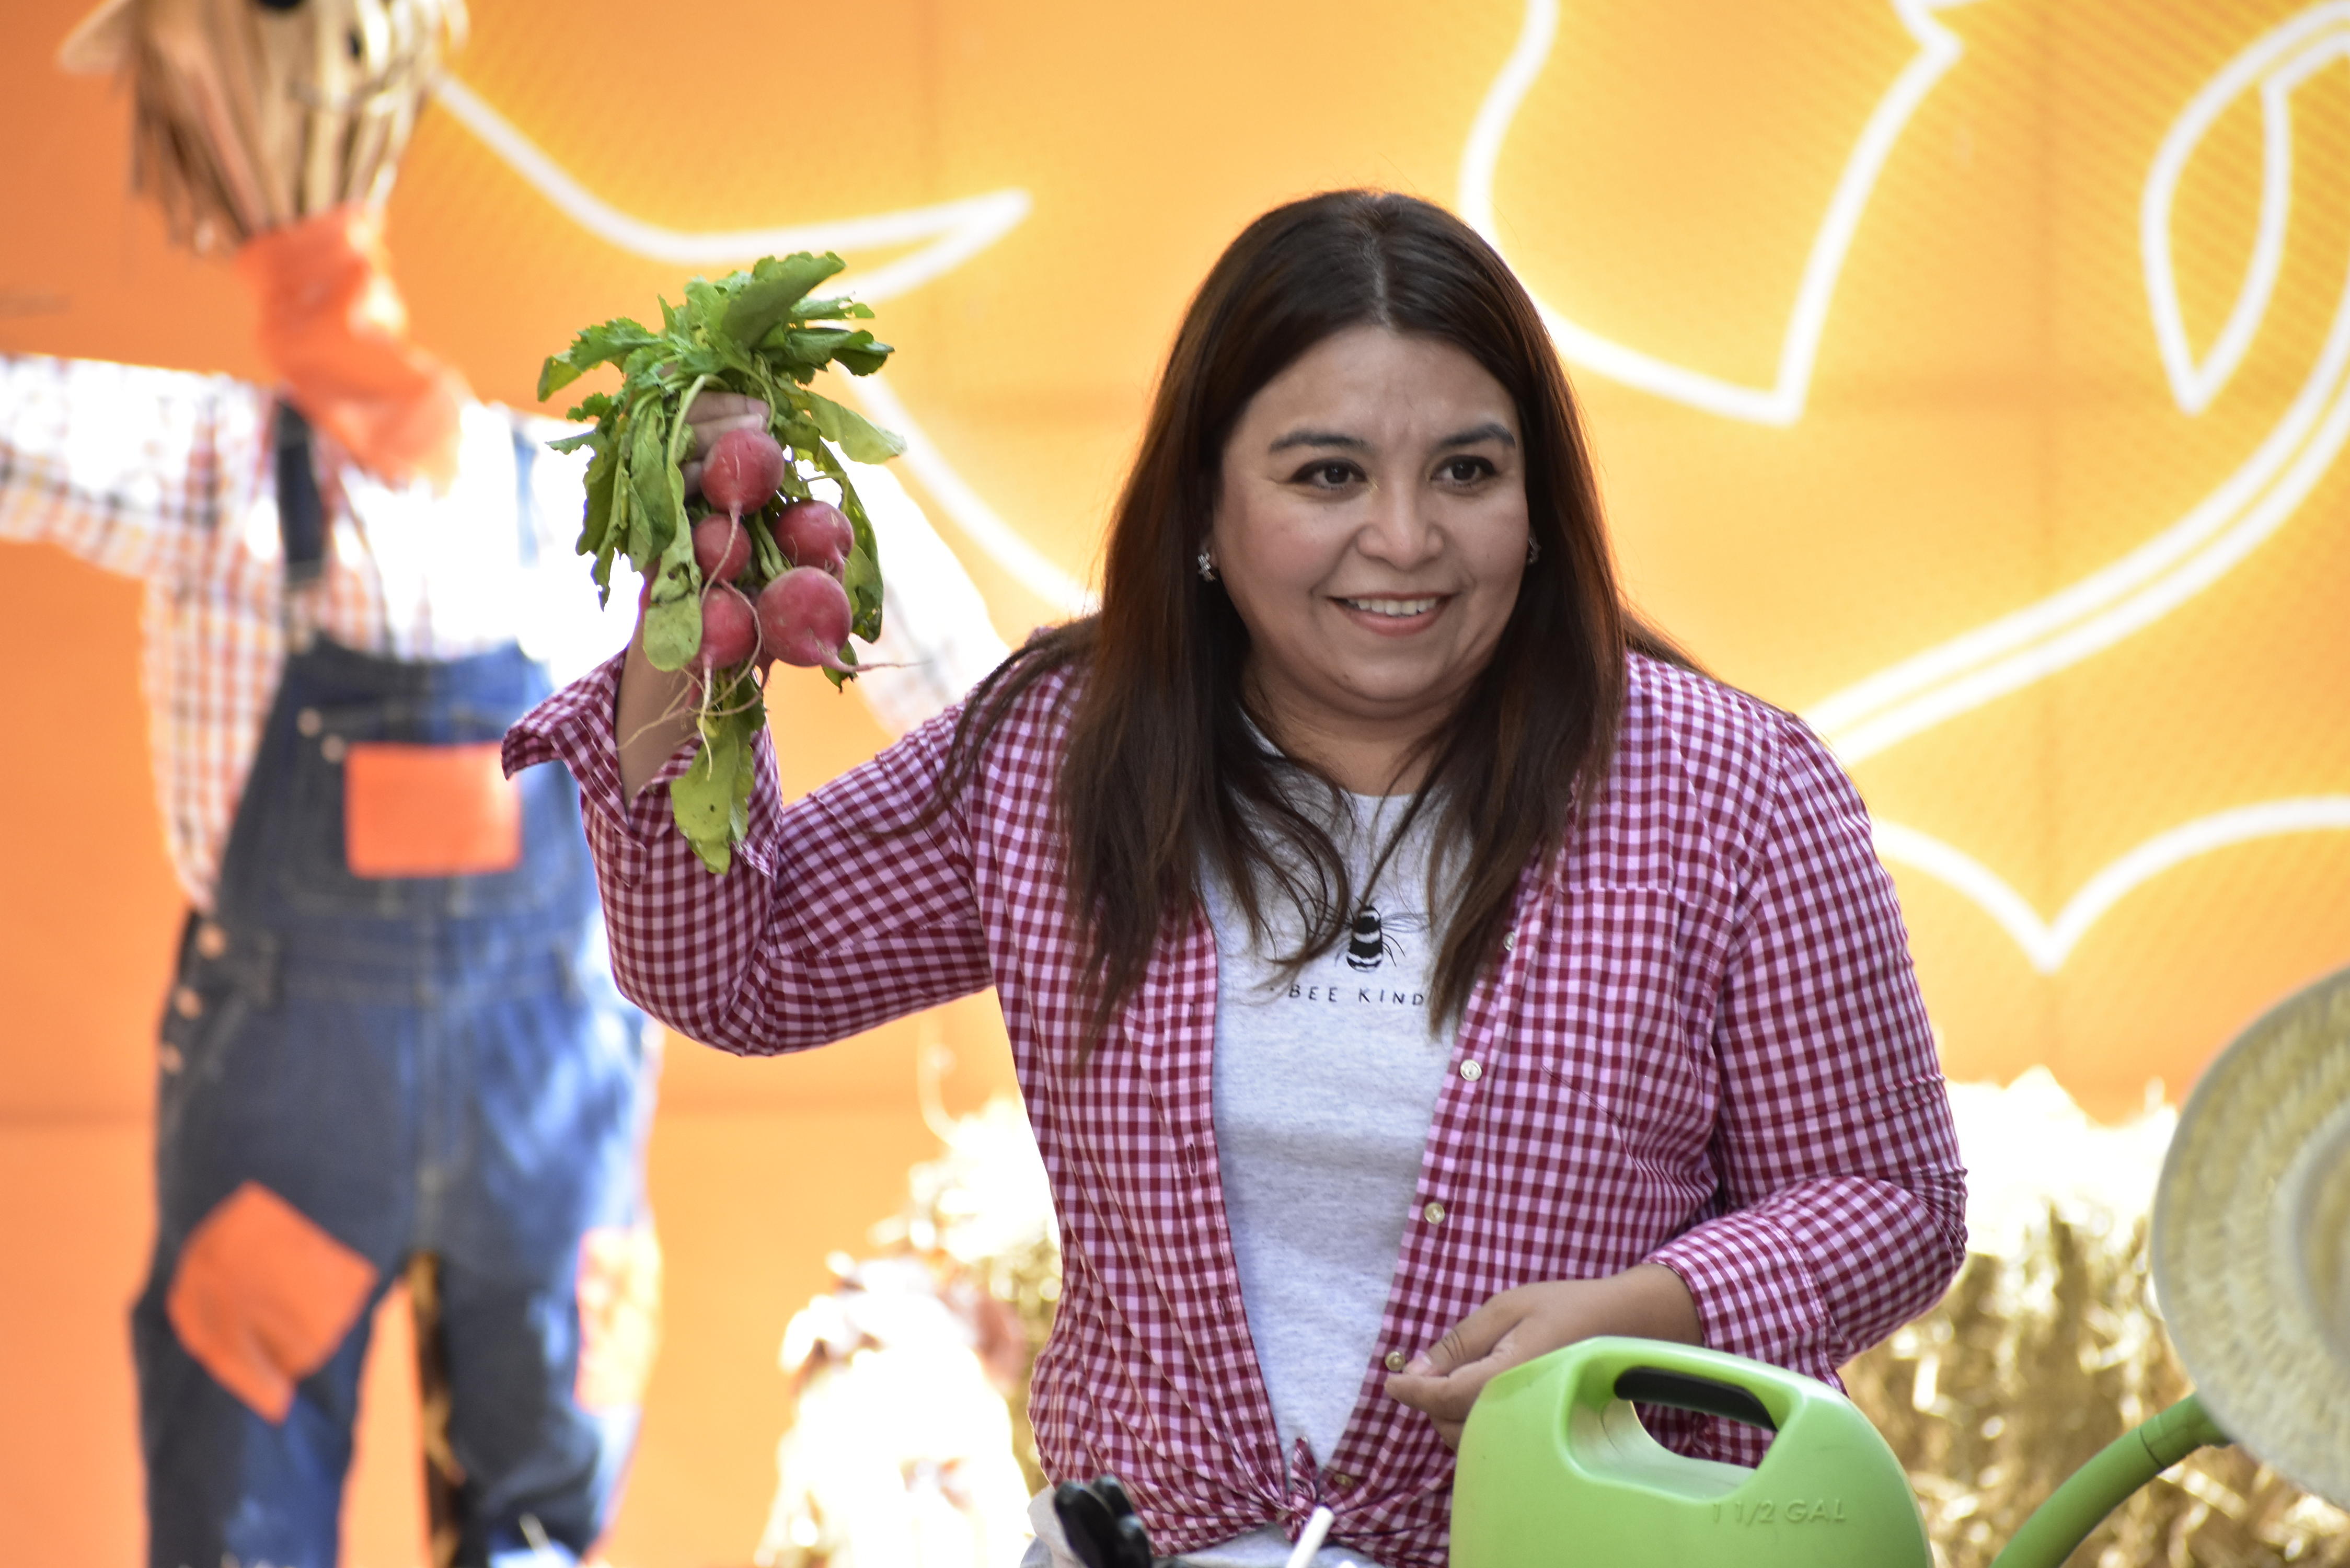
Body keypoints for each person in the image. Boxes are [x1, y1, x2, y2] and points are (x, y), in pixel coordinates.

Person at [507, 189, 1967, 1568]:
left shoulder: (1731, 790)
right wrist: (690, 627)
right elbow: (738, 971)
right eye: (1328, 474)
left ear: (1538, 503)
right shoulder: (1066, 750)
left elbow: (1892, 1197)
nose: (1404, 538)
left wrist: (1646, 1315)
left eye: (1467, 471)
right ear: (1204, 508)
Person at [5, 4, 1000, 1565]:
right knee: (346, 1520)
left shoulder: (527, 494)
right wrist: (1020, 753)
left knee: (390, 1519)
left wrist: (1040, 773)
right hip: (423, 1155)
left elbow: (920, 633)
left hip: (429, 1154)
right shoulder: (281, 475)